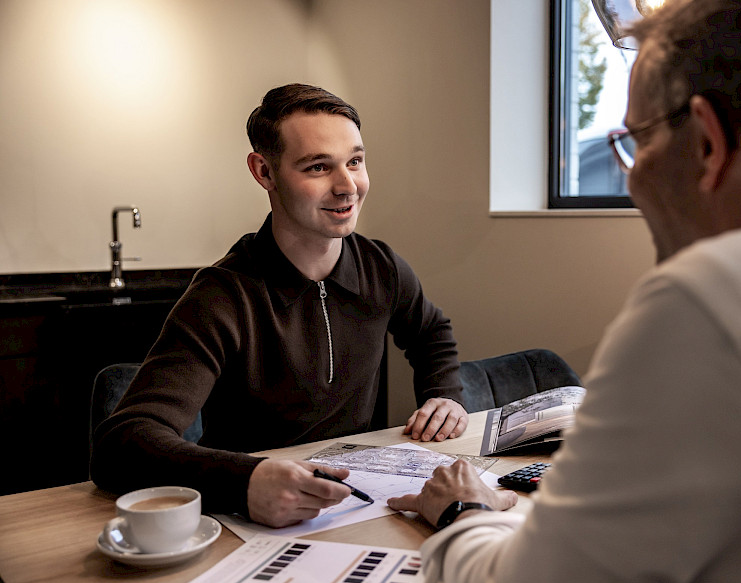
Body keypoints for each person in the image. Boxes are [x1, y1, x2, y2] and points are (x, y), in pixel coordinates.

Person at [387, 0, 741, 583]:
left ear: (708, 141)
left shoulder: (712, 302)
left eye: (636, 141)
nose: (631, 176)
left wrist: (462, 512)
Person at [92, 84, 469, 527]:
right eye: (317, 167)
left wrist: (445, 394)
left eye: (355, 161)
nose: (348, 186)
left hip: (361, 507)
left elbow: (431, 332)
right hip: (252, 522)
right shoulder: (222, 295)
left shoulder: (382, 267)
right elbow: (122, 444)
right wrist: (246, 480)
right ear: (264, 172)